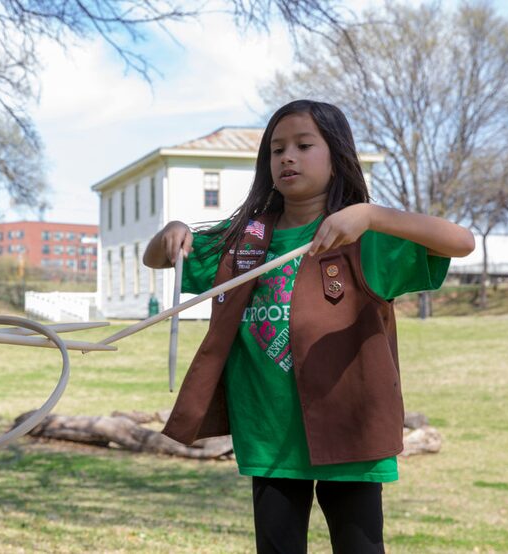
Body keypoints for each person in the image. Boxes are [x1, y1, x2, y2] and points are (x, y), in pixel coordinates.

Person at [143, 99, 474, 553]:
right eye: (276, 149)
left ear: (337, 158)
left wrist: (372, 215)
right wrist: (173, 230)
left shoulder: (365, 237)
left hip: (350, 430)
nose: (287, 157)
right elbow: (158, 257)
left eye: (303, 145)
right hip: (270, 435)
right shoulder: (244, 241)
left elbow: (462, 242)